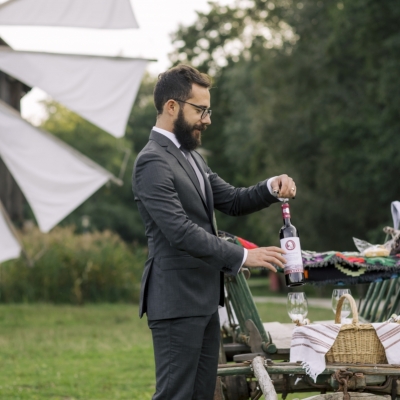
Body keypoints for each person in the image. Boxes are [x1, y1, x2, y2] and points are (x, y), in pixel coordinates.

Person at [132, 64, 296, 400]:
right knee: (176, 395)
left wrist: (272, 186)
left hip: (205, 301)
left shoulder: (192, 158)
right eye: (200, 110)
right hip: (176, 301)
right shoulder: (152, 161)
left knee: (202, 394)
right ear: (172, 106)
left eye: (208, 110)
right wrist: (244, 255)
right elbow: (179, 231)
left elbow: (233, 200)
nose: (207, 119)